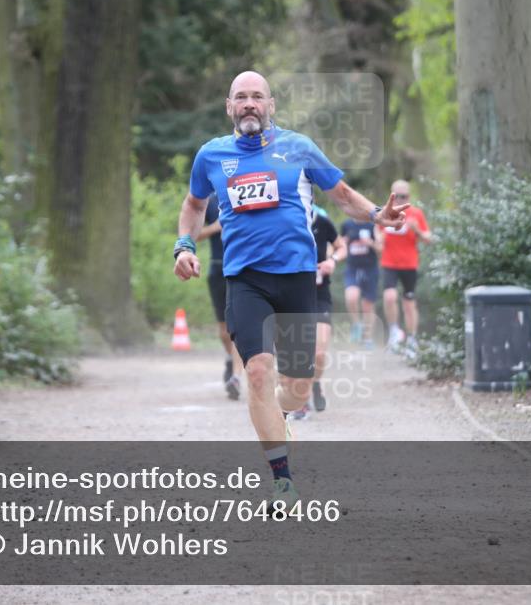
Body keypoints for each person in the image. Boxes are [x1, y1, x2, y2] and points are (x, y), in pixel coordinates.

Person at [173, 71, 407, 508]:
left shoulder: (298, 147)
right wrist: (184, 245)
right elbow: (194, 205)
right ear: (229, 107)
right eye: (240, 97)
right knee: (258, 372)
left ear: (271, 105)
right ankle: (282, 480)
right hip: (245, 279)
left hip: (298, 277)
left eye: (256, 97)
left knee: (298, 385)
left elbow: (340, 194)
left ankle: (280, 417)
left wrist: (378, 213)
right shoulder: (212, 155)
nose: (249, 104)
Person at [290, 204, 345, 419]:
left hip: (320, 296)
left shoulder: (322, 222)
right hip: (292, 295)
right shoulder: (285, 222)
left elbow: (341, 247)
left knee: (319, 353)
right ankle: (301, 401)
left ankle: (315, 382)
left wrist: (332, 261)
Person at [376, 179, 431, 355]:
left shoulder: (416, 214)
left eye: (404, 196)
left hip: (409, 264)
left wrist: (417, 230)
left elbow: (428, 239)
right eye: (396, 196)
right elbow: (377, 239)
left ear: (409, 196)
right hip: (389, 263)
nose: (400, 200)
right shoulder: (384, 213)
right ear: (391, 196)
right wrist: (378, 240)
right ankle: (394, 332)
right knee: (389, 296)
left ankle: (412, 339)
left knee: (409, 303)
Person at [198, 193, 244, 400]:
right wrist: (216, 226)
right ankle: (230, 358)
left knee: (239, 327)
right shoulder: (210, 201)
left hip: (243, 270)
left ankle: (236, 376)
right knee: (225, 331)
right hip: (218, 270)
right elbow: (194, 235)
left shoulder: (247, 192)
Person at [337, 217, 381, 349]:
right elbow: (338, 246)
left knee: (367, 306)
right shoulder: (346, 225)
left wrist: (370, 243)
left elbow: (381, 249)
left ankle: (367, 339)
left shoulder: (372, 226)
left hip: (370, 269)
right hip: (352, 268)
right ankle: (357, 324)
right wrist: (343, 243)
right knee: (351, 297)